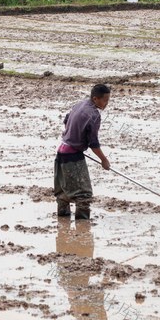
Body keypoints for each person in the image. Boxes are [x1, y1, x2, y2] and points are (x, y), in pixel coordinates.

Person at [55, 84, 112, 220]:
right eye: (105, 100)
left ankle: (63, 220)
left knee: (63, 192)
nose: (106, 104)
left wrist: (73, 134)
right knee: (84, 195)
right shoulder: (93, 115)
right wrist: (104, 160)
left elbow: (66, 120)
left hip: (62, 151)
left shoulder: (79, 104)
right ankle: (82, 228)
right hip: (73, 156)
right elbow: (93, 143)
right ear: (95, 99)